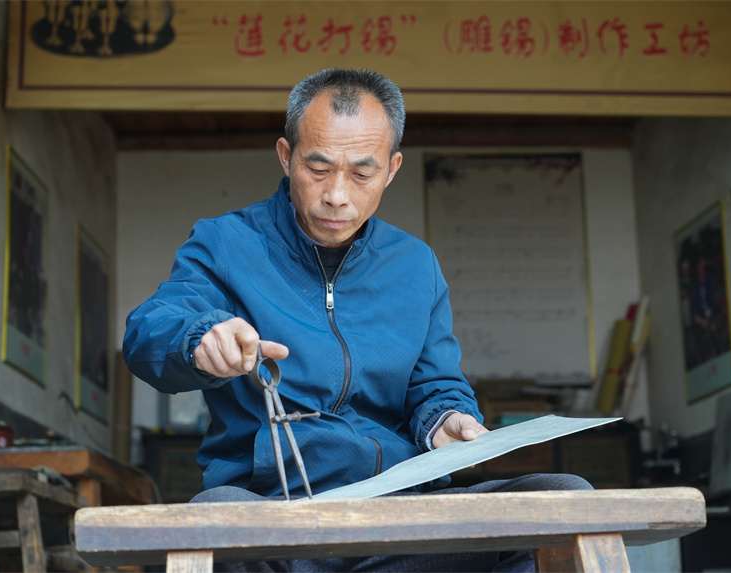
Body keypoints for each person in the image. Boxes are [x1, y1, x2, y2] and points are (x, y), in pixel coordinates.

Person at [123, 68, 591, 572]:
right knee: (215, 518)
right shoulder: (226, 244)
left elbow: (435, 385)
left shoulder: (415, 266)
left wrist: (445, 420)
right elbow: (149, 328)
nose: (337, 195)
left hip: (404, 518)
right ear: (286, 156)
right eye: (318, 169)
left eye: (362, 173)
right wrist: (198, 339)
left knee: (563, 496)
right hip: (278, 512)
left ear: (391, 169)